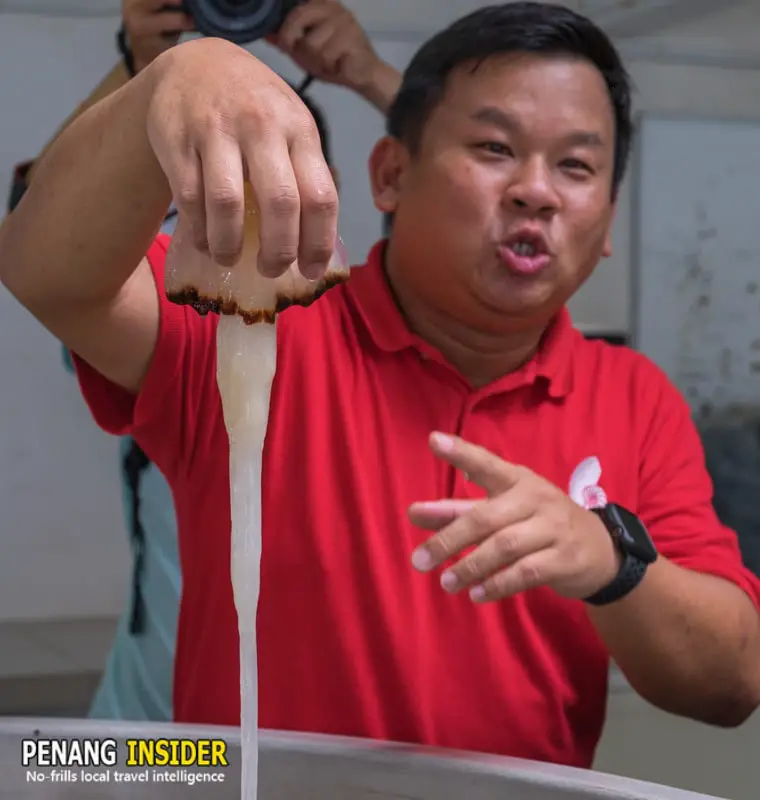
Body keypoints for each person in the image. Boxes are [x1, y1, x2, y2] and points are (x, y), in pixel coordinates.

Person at [2, 0, 760, 770]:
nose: (538, 191)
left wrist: (610, 558)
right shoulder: (262, 325)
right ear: (390, 176)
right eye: (495, 147)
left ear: (607, 221)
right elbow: (47, 273)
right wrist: (169, 82)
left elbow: (732, 684)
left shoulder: (634, 398)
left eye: (575, 165)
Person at [6, 0, 400, 722]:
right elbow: (37, 236)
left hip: (298, 739)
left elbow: (465, 212)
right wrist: (151, 73)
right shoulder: (174, 326)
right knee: (64, 767)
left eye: (282, 183)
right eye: (224, 194)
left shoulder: (373, 353)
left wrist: (375, 76)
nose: (253, 225)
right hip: (152, 720)